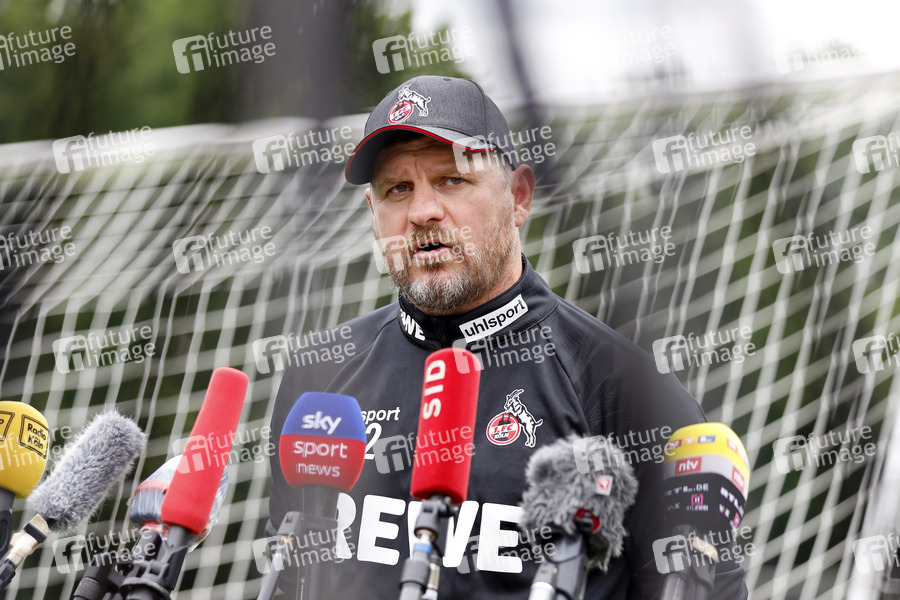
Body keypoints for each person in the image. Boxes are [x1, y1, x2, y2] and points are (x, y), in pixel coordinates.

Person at [267, 75, 748, 599]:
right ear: (373, 212)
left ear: (518, 197)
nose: (422, 212)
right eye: (397, 189)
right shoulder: (320, 381)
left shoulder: (622, 388)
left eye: (452, 179)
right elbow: (290, 580)